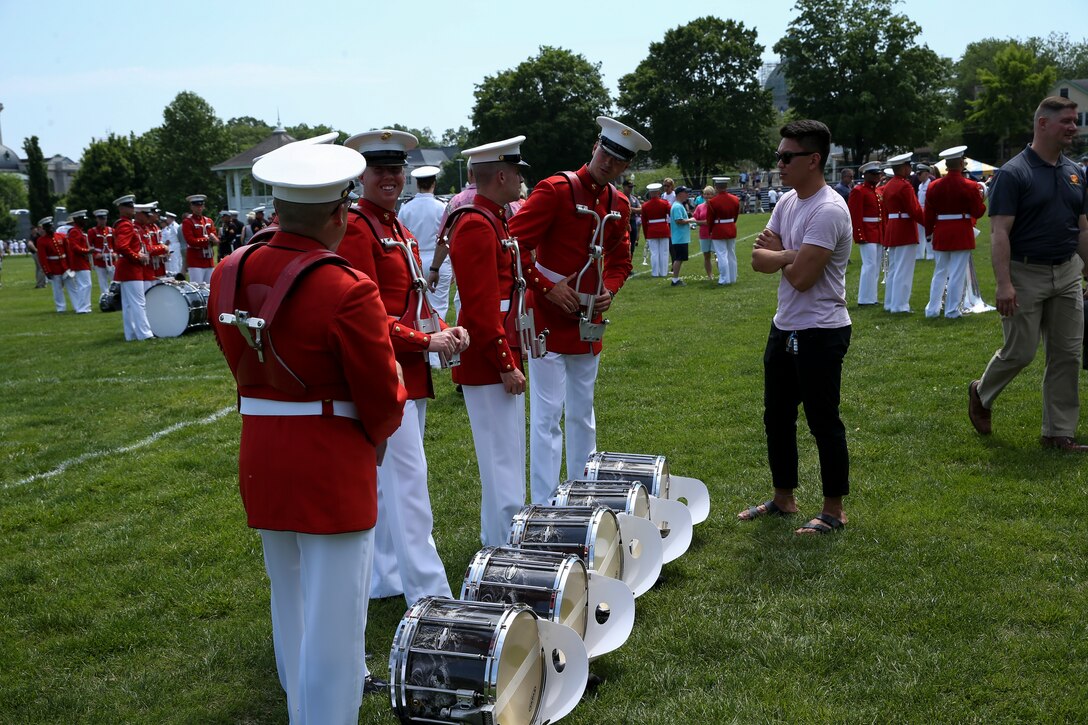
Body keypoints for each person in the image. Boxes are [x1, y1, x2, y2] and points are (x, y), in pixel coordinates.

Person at [209, 140, 406, 721]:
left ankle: (302, 706)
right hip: (331, 458)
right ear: (339, 212)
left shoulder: (229, 267)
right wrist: (384, 417)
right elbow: (379, 393)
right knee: (337, 614)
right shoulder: (347, 287)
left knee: (289, 596)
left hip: (263, 451)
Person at [339, 128, 469, 604]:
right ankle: (430, 595)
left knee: (394, 486)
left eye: (397, 169)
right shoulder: (358, 228)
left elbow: (410, 297)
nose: (391, 177)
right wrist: (426, 339)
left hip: (406, 369)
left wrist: (443, 328)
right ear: (361, 176)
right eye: (381, 170)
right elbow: (367, 316)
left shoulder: (393, 225)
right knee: (410, 489)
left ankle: (386, 578)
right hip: (385, 373)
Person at [509, 116, 648, 504]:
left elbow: (621, 260)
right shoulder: (555, 190)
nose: (610, 163)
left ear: (626, 166)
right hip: (547, 322)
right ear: (594, 147)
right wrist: (547, 288)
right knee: (547, 417)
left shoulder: (618, 203)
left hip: (590, 322)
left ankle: (584, 497)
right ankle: (545, 503)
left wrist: (610, 290)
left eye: (620, 160)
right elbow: (513, 247)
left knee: (583, 414)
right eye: (607, 153)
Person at [743, 119, 853, 534]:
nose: (779, 163)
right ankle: (783, 498)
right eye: (778, 156)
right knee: (777, 417)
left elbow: (803, 278)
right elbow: (757, 260)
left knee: (823, 420)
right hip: (785, 325)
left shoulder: (828, 209)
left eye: (787, 157)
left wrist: (782, 256)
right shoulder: (787, 202)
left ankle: (833, 509)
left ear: (813, 160)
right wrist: (793, 255)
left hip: (822, 330)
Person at [968, 96, 1088, 451]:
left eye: (1074, 120)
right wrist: (1004, 284)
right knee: (1021, 352)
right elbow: (999, 232)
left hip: (1068, 272)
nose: (1073, 127)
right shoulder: (1013, 173)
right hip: (1025, 273)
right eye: (1066, 121)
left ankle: (1057, 433)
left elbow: (1082, 228)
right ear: (1042, 124)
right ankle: (981, 392)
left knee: (1068, 354)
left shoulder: (1076, 172)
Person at [446, 136, 530, 546]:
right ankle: (505, 550)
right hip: (488, 358)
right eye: (516, 171)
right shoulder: (477, 224)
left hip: (500, 349)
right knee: (502, 462)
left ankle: (499, 540)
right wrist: (504, 363)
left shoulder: (493, 218)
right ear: (500, 174)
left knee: (509, 457)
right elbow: (480, 310)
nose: (519, 179)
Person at [923, 146, 987, 319]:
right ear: (961, 163)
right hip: (961, 231)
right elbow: (978, 211)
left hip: (942, 231)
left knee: (940, 272)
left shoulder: (934, 186)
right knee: (957, 273)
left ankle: (932, 309)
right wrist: (983, 200)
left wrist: (929, 233)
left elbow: (928, 214)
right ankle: (951, 310)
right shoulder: (970, 185)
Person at [399, 165, 449, 367]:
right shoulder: (442, 206)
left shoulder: (406, 207)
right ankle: (437, 355)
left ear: (418, 184)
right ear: (434, 183)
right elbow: (446, 237)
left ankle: (425, 348)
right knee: (440, 306)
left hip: (415, 258)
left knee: (419, 306)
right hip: (439, 259)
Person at [880, 152, 924, 313]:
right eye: (908, 166)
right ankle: (900, 305)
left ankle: (890, 303)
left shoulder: (889, 185)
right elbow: (915, 210)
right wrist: (929, 223)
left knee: (893, 269)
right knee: (904, 269)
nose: (910, 169)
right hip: (904, 228)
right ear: (904, 168)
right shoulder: (904, 185)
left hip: (893, 227)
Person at [111, 195, 154, 340]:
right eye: (129, 207)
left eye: (132, 206)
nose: (132, 209)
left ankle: (131, 334)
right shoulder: (126, 224)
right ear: (122, 209)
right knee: (138, 302)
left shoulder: (126, 223)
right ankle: (144, 334)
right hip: (131, 267)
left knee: (129, 304)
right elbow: (122, 246)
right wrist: (138, 256)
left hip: (127, 267)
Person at [847, 161, 884, 305]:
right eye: (874, 174)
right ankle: (864, 298)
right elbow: (855, 215)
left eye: (878, 174)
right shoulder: (859, 191)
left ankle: (872, 297)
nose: (877, 177)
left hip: (877, 231)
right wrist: (859, 235)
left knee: (875, 266)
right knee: (869, 265)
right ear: (866, 175)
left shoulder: (877, 191)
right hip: (867, 232)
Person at [707, 176, 741, 285]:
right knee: (731, 253)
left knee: (721, 254)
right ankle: (732, 277)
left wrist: (710, 230)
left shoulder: (712, 202)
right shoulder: (735, 199)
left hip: (718, 229)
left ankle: (724, 279)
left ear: (716, 187)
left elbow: (710, 219)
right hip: (731, 227)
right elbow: (735, 216)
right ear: (726, 186)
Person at [36, 217, 74, 312]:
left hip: (65, 266)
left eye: (51, 226)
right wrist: (47, 271)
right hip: (54, 268)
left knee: (72, 287)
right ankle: (61, 308)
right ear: (44, 229)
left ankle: (78, 306)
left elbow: (68, 252)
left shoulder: (61, 236)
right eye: (48, 227)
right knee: (57, 289)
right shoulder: (41, 241)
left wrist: (71, 265)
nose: (51, 228)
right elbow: (42, 258)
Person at [182, 195, 217, 284]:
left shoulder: (208, 221)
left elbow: (215, 236)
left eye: (201, 205)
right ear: (191, 207)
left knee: (210, 288)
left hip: (209, 260)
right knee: (197, 287)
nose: (199, 208)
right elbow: (190, 241)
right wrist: (207, 240)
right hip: (196, 261)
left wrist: (215, 240)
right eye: (196, 206)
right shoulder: (188, 222)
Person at [65, 211, 94, 313]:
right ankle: (82, 308)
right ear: (77, 220)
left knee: (86, 285)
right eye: (83, 220)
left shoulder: (79, 231)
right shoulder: (74, 232)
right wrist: (87, 251)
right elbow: (74, 247)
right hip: (79, 262)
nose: (85, 222)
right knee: (84, 285)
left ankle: (86, 306)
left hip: (83, 261)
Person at [641, 183, 671, 276]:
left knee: (654, 253)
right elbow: (671, 213)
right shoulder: (665, 203)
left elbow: (644, 222)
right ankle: (663, 272)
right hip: (663, 229)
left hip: (651, 230)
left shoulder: (645, 206)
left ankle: (655, 273)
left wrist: (646, 235)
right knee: (664, 252)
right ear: (658, 192)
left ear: (650, 193)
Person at [669, 185, 695, 286]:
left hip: (681, 237)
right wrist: (691, 220)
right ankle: (675, 279)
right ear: (680, 194)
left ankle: (676, 278)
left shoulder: (679, 205)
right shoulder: (677, 206)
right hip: (679, 237)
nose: (687, 194)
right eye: (685, 192)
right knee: (679, 258)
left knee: (680, 258)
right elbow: (679, 221)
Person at [693, 185, 715, 281]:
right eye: (705, 194)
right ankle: (710, 275)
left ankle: (723, 273)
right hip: (703, 234)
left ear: (713, 195)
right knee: (706, 256)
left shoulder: (716, 206)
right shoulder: (699, 207)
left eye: (709, 194)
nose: (707, 196)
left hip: (715, 233)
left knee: (717, 254)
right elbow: (695, 220)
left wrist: (704, 222)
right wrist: (704, 222)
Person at [914, 164, 934, 260]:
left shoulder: (931, 185)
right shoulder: (920, 185)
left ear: (926, 174)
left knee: (929, 233)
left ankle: (930, 254)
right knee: (920, 234)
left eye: (920, 174)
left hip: (928, 210)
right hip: (920, 211)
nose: (918, 176)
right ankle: (919, 254)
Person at [622, 179, 642, 264]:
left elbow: (640, 209)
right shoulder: (620, 197)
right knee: (624, 245)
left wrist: (631, 209)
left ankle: (628, 265)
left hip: (632, 222)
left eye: (632, 187)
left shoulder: (634, 199)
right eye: (629, 187)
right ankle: (623, 264)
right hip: (622, 223)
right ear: (624, 187)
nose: (631, 189)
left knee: (632, 245)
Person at [161, 211, 183, 276]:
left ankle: (177, 275)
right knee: (172, 261)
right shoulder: (171, 226)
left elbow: (179, 235)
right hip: (172, 245)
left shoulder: (174, 226)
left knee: (175, 261)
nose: (166, 220)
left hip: (176, 245)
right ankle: (174, 274)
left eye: (167, 218)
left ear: (171, 218)